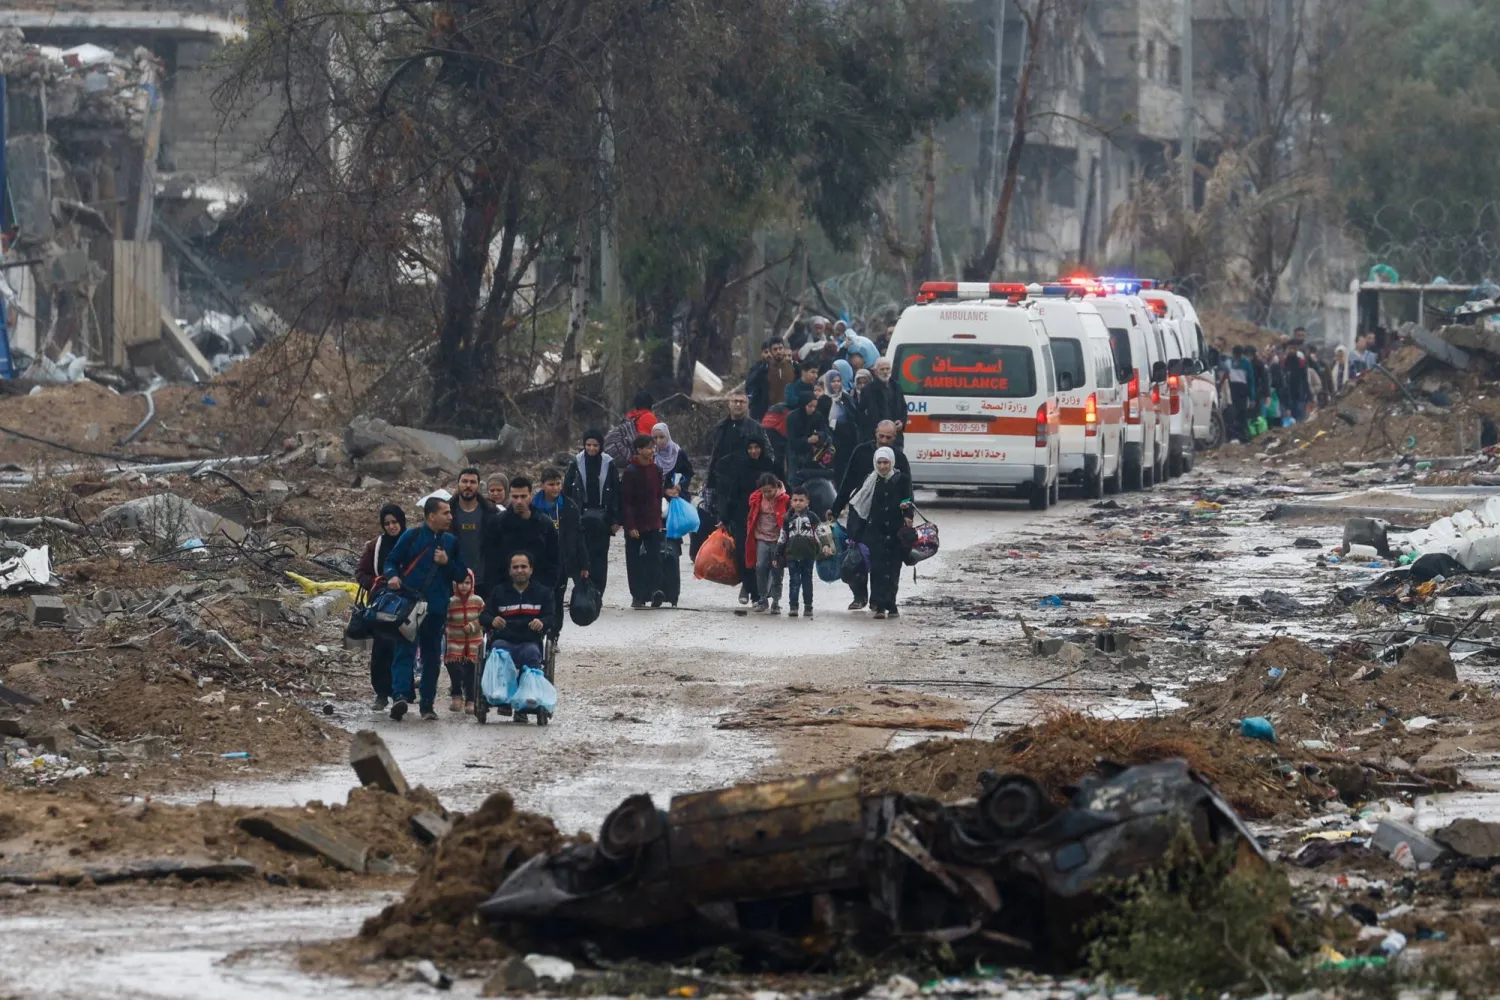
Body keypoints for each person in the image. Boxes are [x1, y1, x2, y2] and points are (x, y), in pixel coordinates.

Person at [383, 496, 467, 721]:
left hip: (437, 608)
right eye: (446, 513)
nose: (450, 517)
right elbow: (391, 561)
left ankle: (427, 704)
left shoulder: (451, 542)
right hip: (409, 605)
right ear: (431, 516)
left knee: (431, 656)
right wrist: (391, 577)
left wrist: (446, 562)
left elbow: (461, 574)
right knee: (404, 651)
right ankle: (400, 696)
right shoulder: (411, 537)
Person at [831, 422, 911, 611]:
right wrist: (835, 509)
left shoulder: (899, 458)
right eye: (881, 436)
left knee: (884, 562)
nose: (884, 441)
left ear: (895, 438)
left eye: (889, 438)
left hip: (887, 519)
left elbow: (907, 491)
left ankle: (880, 600)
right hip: (860, 513)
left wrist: (908, 514)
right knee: (856, 556)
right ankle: (859, 595)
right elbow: (848, 481)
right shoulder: (861, 452)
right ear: (875, 433)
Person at [480, 552, 554, 710]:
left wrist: (542, 622)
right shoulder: (499, 592)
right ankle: (501, 692)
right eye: (515, 567)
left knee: (532, 653)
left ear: (531, 570)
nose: (520, 570)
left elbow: (553, 618)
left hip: (529, 641)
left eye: (523, 567)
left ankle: (529, 695)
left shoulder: (543, 593)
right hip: (505, 640)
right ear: (509, 571)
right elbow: (484, 615)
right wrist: (492, 620)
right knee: (498, 649)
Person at [850, 447, 913, 619]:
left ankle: (891, 604)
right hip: (875, 531)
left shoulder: (901, 479)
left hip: (895, 531)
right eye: (879, 462)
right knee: (876, 569)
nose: (883, 466)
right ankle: (878, 605)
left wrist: (907, 515)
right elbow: (861, 506)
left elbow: (908, 499)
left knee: (893, 569)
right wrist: (856, 532)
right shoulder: (870, 481)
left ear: (891, 462)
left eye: (886, 462)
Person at [354, 502, 405, 711]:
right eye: (387, 523)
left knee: (403, 648)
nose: (392, 527)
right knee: (382, 648)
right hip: (381, 603)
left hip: (407, 603)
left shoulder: (411, 542)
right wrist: (376, 583)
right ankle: (382, 693)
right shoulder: (375, 546)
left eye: (395, 522)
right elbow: (361, 572)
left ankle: (401, 692)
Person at [719, 436, 777, 605]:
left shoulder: (770, 466)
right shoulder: (741, 467)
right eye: (750, 448)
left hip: (767, 518)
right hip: (744, 516)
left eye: (756, 447)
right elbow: (733, 493)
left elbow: (781, 489)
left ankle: (763, 591)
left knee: (765, 557)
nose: (753, 451)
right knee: (745, 554)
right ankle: (751, 589)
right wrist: (725, 517)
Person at [563, 429, 621, 595]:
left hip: (603, 517)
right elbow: (567, 490)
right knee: (580, 554)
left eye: (595, 445)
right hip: (580, 516)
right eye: (588, 445)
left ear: (601, 445)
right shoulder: (576, 462)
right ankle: (581, 590)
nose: (591, 449)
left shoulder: (608, 463)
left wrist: (616, 518)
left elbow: (616, 491)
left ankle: (597, 592)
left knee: (600, 556)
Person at [482, 476, 559, 599]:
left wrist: (547, 588)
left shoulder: (545, 524)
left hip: (538, 592)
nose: (519, 501)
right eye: (515, 497)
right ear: (510, 497)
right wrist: (496, 591)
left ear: (530, 496)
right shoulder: (497, 523)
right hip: (505, 593)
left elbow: (554, 560)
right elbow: (490, 561)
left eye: (523, 496)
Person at [534, 467, 588, 633]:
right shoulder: (533, 506)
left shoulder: (569, 507)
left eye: (558, 484)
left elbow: (579, 537)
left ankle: (554, 634)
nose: (555, 488)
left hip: (562, 562)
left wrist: (584, 565)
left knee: (557, 599)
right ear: (542, 485)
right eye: (551, 484)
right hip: (537, 562)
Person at [620, 434, 666, 609]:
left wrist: (658, 519)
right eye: (648, 447)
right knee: (634, 560)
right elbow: (626, 501)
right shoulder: (631, 472)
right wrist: (630, 525)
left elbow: (658, 495)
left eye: (653, 447)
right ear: (639, 450)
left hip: (653, 521)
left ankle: (655, 590)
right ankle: (637, 596)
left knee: (655, 557)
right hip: (635, 523)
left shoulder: (657, 470)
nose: (652, 450)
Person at [705, 394, 771, 500]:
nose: (738, 404)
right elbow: (715, 455)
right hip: (724, 482)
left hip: (749, 484)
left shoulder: (756, 427)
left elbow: (767, 454)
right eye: (735, 401)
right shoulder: (721, 427)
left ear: (747, 405)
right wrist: (709, 484)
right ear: (729, 404)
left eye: (742, 402)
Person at [745, 472, 788, 614]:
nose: (767, 494)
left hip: (777, 540)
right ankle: (763, 598)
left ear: (776, 488)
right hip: (761, 538)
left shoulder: (784, 500)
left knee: (777, 571)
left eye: (770, 491)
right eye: (764, 491)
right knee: (760, 567)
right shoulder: (756, 499)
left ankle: (776, 601)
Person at [776, 486, 821, 619]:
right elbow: (783, 536)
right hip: (792, 554)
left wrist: (825, 545)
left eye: (801, 500)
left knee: (807, 580)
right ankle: (793, 606)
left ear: (807, 502)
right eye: (795, 500)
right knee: (794, 580)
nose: (798, 503)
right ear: (791, 502)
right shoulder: (787, 518)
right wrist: (778, 551)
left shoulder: (812, 517)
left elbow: (820, 531)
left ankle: (808, 606)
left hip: (808, 554)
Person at [452, 468, 499, 588]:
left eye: (472, 482)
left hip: (484, 580)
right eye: (464, 481)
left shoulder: (491, 512)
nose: (468, 485)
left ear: (478, 485)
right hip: (454, 579)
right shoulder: (447, 511)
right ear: (458, 484)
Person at [444, 570, 484, 713]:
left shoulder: (478, 601)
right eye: (460, 583)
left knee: (471, 673)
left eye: (467, 583)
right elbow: (445, 618)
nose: (464, 586)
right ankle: (456, 695)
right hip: (455, 640)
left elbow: (484, 619)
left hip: (474, 643)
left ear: (472, 584)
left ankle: (471, 699)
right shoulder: (450, 602)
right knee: (454, 669)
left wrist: (473, 626)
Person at [822, 365, 861, 487]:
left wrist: (842, 405)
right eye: (833, 381)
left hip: (846, 440)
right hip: (831, 440)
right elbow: (821, 419)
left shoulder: (845, 397)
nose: (836, 384)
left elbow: (854, 415)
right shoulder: (824, 400)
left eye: (838, 381)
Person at [786, 392, 832, 486]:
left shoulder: (817, 416)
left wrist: (819, 437)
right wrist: (807, 440)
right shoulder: (792, 417)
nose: (812, 409)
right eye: (810, 406)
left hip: (814, 457)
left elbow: (826, 434)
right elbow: (792, 440)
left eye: (815, 406)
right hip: (796, 456)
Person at [863, 358, 908, 446]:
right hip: (876, 438)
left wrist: (902, 423)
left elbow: (903, 408)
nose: (885, 372)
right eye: (882, 369)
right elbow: (862, 414)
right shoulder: (869, 389)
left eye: (887, 369)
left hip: (895, 437)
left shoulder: (896, 387)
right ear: (876, 371)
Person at [1227, 346, 1252, 442]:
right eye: (1235, 355)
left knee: (1242, 415)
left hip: (1242, 392)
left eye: (1239, 356)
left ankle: (1244, 438)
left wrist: (1252, 396)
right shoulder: (1229, 362)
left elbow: (1251, 380)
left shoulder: (1246, 363)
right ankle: (1231, 437)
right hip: (1231, 390)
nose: (1237, 358)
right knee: (1231, 415)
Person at [765, 339, 796, 414]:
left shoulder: (793, 366)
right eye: (775, 349)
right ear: (770, 351)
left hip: (790, 409)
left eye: (780, 348)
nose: (778, 351)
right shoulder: (765, 367)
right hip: (771, 409)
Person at [745, 339, 773, 420]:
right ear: (761, 354)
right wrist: (761, 370)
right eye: (766, 352)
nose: (769, 355)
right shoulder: (756, 368)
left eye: (771, 352)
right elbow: (749, 383)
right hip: (758, 411)